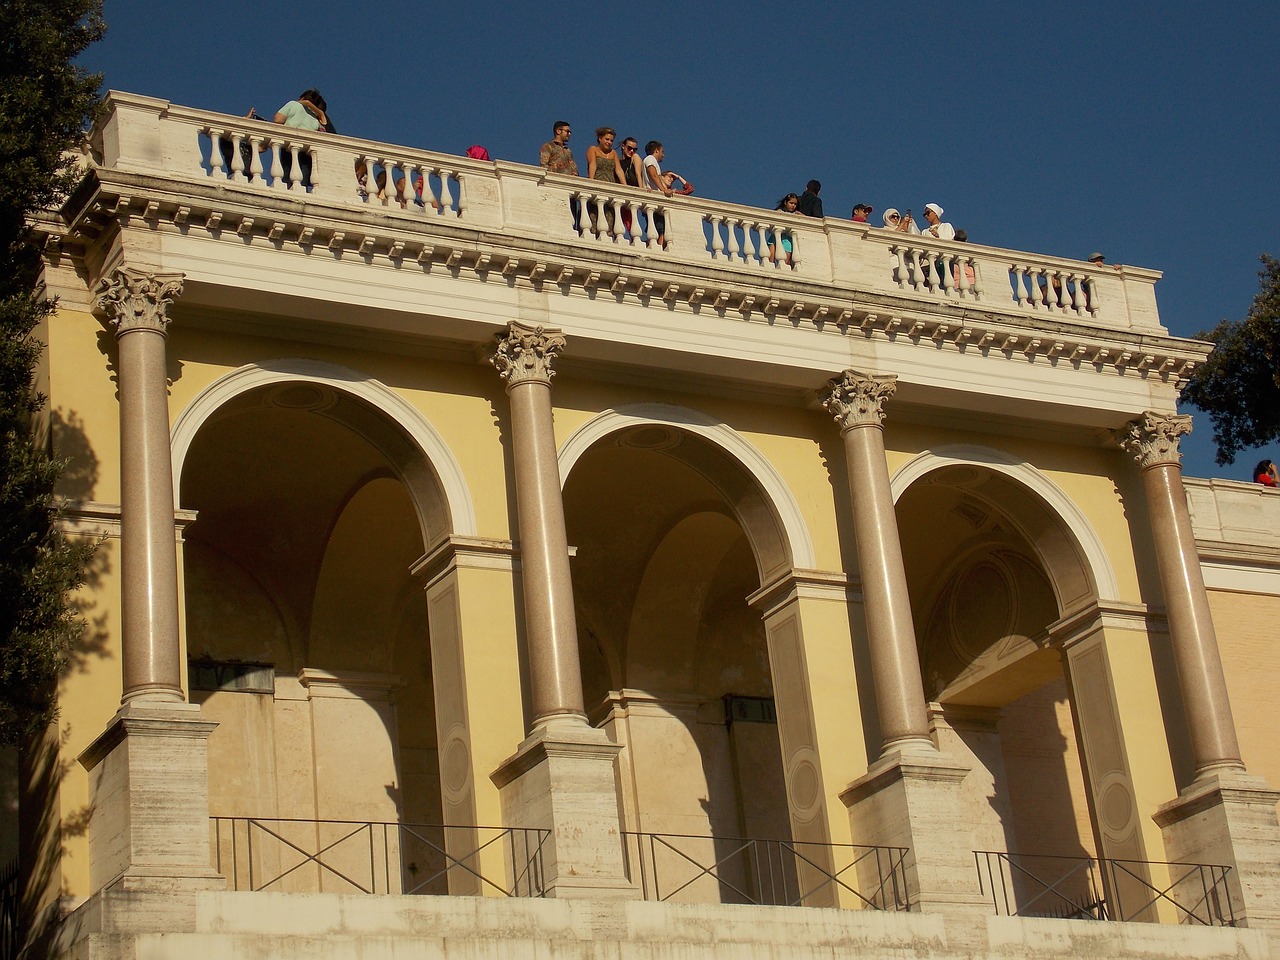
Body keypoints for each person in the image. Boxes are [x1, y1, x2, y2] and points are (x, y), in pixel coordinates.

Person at [585, 127, 627, 235]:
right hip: (598, 183)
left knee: (609, 217)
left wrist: (625, 186)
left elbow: (618, 170)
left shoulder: (613, 153)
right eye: (607, 139)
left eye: (611, 140)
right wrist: (591, 181)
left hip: (610, 186)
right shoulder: (593, 149)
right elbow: (593, 164)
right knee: (594, 216)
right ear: (600, 138)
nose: (609, 142)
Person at [540, 120, 580, 232]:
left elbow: (574, 168)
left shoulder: (568, 150)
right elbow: (544, 166)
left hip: (570, 188)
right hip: (555, 187)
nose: (569, 134)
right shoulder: (548, 147)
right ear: (558, 131)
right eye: (567, 131)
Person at [643, 140, 674, 247]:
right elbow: (653, 175)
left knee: (659, 228)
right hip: (654, 200)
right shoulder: (650, 159)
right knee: (660, 229)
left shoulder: (652, 161)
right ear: (656, 150)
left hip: (654, 199)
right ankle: (657, 247)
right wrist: (663, 190)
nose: (663, 155)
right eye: (662, 151)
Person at [767, 194, 800, 265]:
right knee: (770, 261)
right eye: (791, 203)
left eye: (795, 204)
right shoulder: (779, 212)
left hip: (787, 239)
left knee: (786, 262)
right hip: (775, 237)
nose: (793, 205)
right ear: (785, 202)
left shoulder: (796, 214)